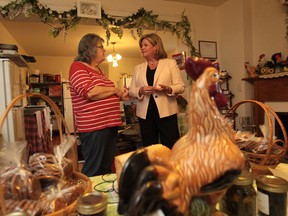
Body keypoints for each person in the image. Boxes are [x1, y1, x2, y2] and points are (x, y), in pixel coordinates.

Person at [69, 33, 129, 177]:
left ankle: (103, 196)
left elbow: (103, 95)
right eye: (101, 47)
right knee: (93, 169)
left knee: (106, 168)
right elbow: (90, 92)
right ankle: (88, 198)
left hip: (109, 125)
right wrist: (115, 90)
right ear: (89, 49)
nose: (104, 50)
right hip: (94, 127)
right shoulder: (77, 67)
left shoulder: (99, 71)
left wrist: (120, 97)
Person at [129, 33, 185, 149]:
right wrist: (141, 90)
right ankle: (153, 167)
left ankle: (172, 167)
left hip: (166, 112)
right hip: (145, 114)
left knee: (171, 145)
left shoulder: (170, 64)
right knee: (150, 148)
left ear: (156, 47)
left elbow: (180, 86)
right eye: (141, 45)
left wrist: (168, 89)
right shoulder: (138, 68)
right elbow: (131, 91)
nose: (142, 48)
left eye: (145, 45)